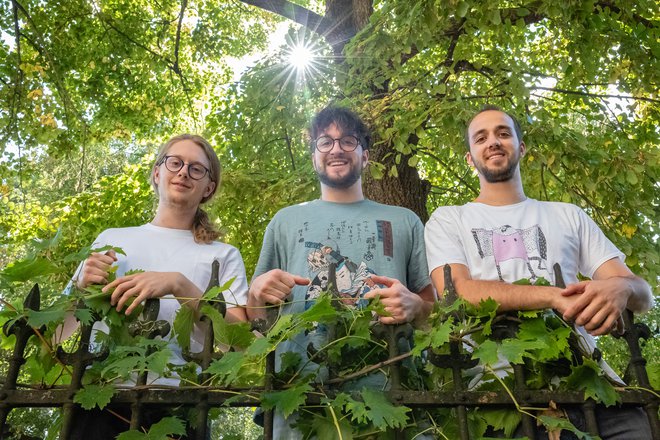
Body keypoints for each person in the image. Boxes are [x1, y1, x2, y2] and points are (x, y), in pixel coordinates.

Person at [424, 105, 654, 439]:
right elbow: (457, 293)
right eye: (481, 137)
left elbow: (642, 294)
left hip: (591, 384)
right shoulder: (450, 219)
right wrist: (553, 297)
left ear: (521, 147)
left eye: (504, 133)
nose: (494, 142)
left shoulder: (567, 215)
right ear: (470, 159)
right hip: (502, 393)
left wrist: (621, 288)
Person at [247, 105, 435, 436]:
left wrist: (417, 307)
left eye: (348, 140)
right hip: (301, 402)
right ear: (314, 156)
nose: (336, 148)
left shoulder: (404, 220)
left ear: (365, 156)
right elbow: (257, 321)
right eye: (325, 141)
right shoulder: (284, 221)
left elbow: (435, 313)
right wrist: (257, 292)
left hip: (391, 399)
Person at [66, 134, 249, 438]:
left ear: (209, 187)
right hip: (102, 398)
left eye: (196, 169)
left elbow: (238, 341)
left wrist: (179, 283)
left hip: (181, 402)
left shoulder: (222, 254)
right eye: (175, 162)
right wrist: (80, 285)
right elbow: (59, 332)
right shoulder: (113, 239)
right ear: (156, 172)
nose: (183, 172)